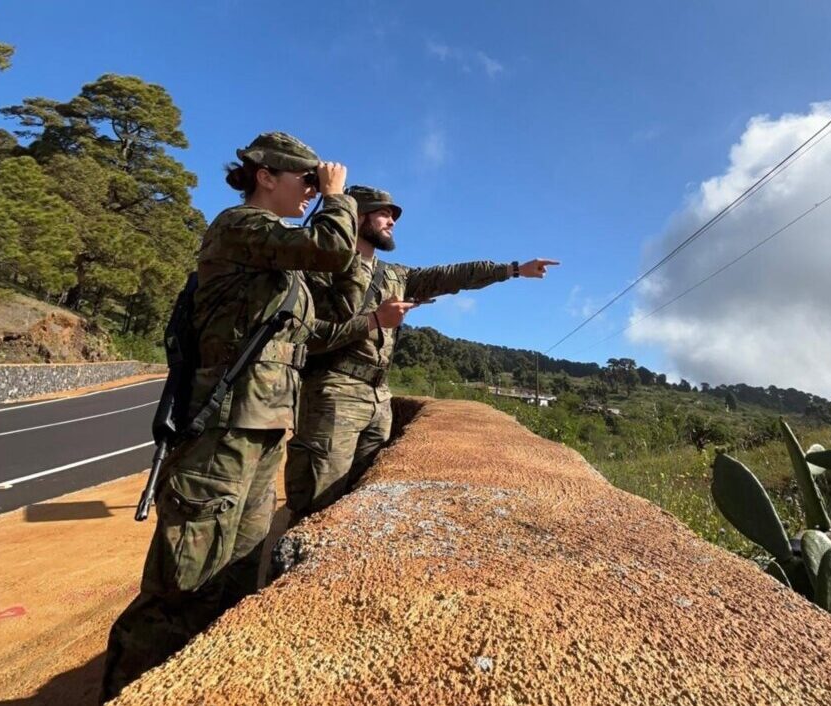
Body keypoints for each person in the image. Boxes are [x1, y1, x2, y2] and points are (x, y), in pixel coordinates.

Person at [99, 134, 408, 701]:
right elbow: (331, 249)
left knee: (238, 576)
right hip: (220, 426)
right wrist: (339, 199)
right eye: (307, 182)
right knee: (184, 582)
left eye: (320, 185)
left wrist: (369, 310)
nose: (314, 193)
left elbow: (320, 323)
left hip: (264, 428)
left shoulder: (278, 258)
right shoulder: (239, 227)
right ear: (265, 175)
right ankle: (125, 690)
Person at [284, 184, 560, 518]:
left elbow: (451, 276)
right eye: (384, 213)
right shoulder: (321, 270)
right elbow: (308, 337)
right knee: (317, 506)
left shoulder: (395, 275)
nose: (392, 221)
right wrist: (373, 321)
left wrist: (513, 269)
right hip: (333, 394)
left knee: (360, 504)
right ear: (356, 216)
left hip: (379, 399)